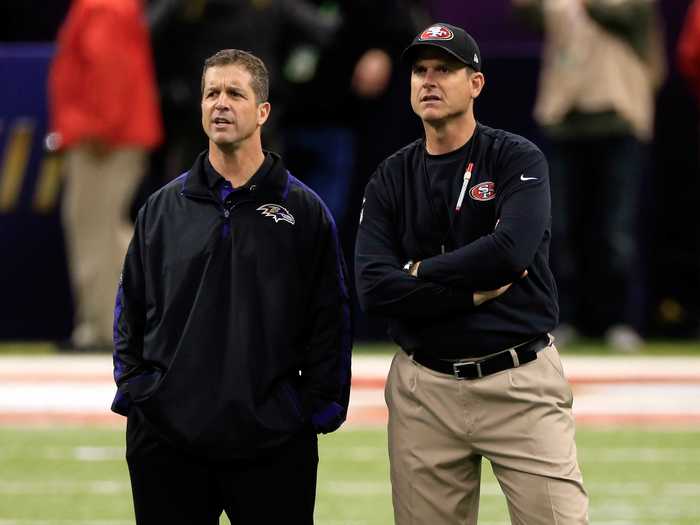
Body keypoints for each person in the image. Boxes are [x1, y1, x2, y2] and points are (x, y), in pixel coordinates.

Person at [355, 23, 588, 525]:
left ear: (476, 83)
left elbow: (509, 253)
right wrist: (466, 295)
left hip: (518, 380)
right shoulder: (391, 176)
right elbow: (373, 287)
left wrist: (419, 271)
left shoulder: (516, 157)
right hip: (425, 389)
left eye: (445, 69)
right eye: (420, 71)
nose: (429, 81)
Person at [111, 49, 352, 524]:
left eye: (234, 93)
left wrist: (312, 412)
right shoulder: (161, 208)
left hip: (273, 443)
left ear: (262, 111)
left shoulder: (303, 211)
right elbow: (130, 309)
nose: (220, 104)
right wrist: (141, 394)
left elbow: (330, 318)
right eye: (211, 93)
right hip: (169, 442)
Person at [512, 0, 666, 351]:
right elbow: (525, 13)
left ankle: (619, 319)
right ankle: (564, 317)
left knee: (616, 229)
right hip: (565, 117)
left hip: (619, 114)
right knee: (562, 226)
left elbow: (626, 15)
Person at [48, 0, 163, 351]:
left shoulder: (104, 6)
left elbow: (110, 67)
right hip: (112, 133)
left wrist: (100, 126)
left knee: (94, 228)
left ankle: (101, 329)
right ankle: (120, 325)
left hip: (104, 139)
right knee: (107, 229)